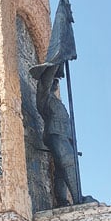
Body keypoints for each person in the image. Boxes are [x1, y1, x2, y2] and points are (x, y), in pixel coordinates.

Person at [35, 63, 81, 206]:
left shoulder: (56, 101)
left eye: (57, 81)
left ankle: (62, 200)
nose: (55, 82)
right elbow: (46, 79)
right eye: (53, 80)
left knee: (61, 171)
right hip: (54, 133)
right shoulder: (43, 96)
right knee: (68, 162)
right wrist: (57, 61)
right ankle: (79, 199)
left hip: (64, 135)